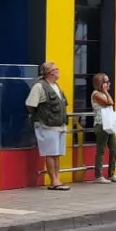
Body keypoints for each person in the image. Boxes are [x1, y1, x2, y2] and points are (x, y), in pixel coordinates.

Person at [26, 61, 71, 190]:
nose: (58, 71)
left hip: (59, 125)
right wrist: (39, 118)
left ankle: (57, 179)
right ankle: (54, 181)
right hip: (46, 125)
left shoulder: (56, 86)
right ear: (49, 72)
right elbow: (30, 105)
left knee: (56, 154)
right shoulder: (39, 87)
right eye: (56, 69)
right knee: (50, 153)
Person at [89, 72, 116, 183]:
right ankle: (98, 175)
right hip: (101, 124)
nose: (108, 83)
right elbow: (110, 102)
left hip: (108, 124)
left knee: (114, 148)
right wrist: (106, 91)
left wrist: (106, 92)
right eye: (106, 82)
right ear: (100, 83)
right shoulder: (96, 94)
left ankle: (112, 173)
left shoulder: (103, 93)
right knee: (101, 150)